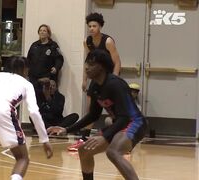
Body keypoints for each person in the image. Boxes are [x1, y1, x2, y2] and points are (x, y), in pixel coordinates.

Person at [48, 50, 147, 180]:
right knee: (84, 149)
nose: (87, 67)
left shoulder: (115, 84)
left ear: (102, 67)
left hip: (135, 123)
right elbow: (93, 115)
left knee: (113, 152)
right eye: (86, 63)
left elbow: (125, 118)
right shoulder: (94, 86)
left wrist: (105, 136)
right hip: (119, 124)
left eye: (91, 64)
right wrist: (67, 129)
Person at [71, 12, 122, 150]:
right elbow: (88, 63)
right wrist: (84, 79)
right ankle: (83, 138)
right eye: (90, 26)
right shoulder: (87, 42)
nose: (92, 28)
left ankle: (123, 140)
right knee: (91, 109)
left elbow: (117, 62)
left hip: (110, 78)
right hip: (96, 79)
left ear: (100, 26)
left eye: (94, 26)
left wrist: (115, 80)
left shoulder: (108, 41)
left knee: (115, 112)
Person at [27, 24, 64, 106]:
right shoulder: (34, 45)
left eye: (44, 31)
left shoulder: (53, 46)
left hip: (47, 78)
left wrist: (56, 68)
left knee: (48, 101)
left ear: (48, 33)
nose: (42, 32)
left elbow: (59, 59)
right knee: (35, 102)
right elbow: (28, 60)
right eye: (40, 30)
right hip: (34, 79)